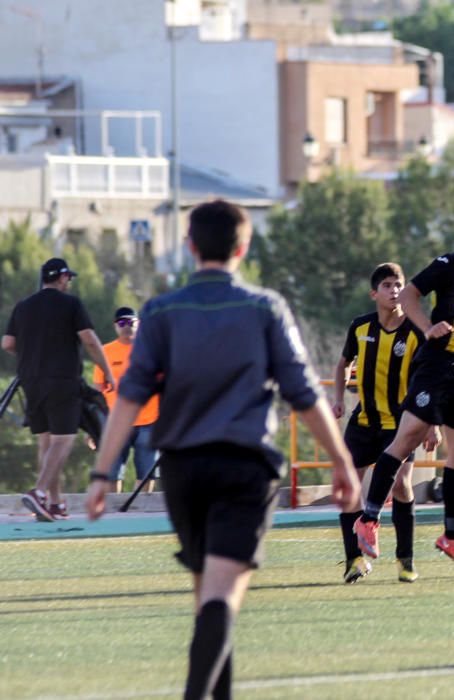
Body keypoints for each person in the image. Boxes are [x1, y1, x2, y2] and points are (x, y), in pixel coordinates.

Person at [85, 200, 359, 700]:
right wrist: (341, 462)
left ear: (190, 246)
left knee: (206, 597)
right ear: (243, 246)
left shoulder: (161, 312)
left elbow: (128, 397)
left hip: (183, 469)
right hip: (243, 467)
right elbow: (302, 392)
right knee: (221, 597)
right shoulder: (264, 307)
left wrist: (102, 474)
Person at [353, 196, 454, 575]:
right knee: (406, 439)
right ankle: (368, 519)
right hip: (437, 367)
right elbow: (409, 295)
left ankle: (452, 536)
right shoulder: (449, 264)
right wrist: (427, 328)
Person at [332, 262, 438, 584]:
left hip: (401, 423)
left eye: (398, 285)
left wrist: (432, 423)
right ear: (374, 293)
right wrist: (338, 398)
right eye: (388, 286)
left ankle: (405, 560)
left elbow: (431, 377)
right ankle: (354, 560)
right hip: (363, 421)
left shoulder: (417, 331)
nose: (394, 291)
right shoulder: (360, 328)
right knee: (348, 487)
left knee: (402, 485)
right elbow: (342, 365)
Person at [2, 257, 115, 522]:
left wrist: (32, 355)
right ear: (63, 277)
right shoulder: (71, 304)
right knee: (63, 440)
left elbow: (7, 343)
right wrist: (107, 371)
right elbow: (88, 339)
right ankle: (39, 493)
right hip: (62, 379)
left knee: (46, 440)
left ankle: (54, 504)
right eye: (69, 278)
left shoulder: (23, 307)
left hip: (31, 380)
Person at [93, 307, 160, 494]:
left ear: (139, 324)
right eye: (122, 323)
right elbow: (97, 392)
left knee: (147, 472)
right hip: (116, 422)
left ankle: (139, 512)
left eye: (131, 322)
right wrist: (94, 427)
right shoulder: (105, 352)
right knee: (112, 473)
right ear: (115, 326)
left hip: (149, 422)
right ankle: (116, 514)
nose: (126, 326)